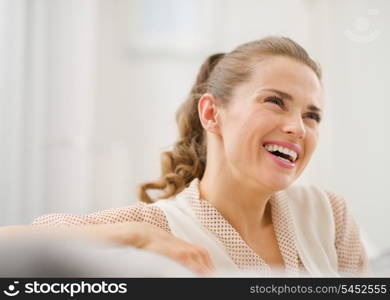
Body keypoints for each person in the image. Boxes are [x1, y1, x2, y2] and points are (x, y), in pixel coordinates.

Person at [1, 37, 369, 277]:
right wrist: (136, 236)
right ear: (211, 114)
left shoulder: (329, 216)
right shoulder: (156, 227)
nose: (298, 128)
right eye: (275, 101)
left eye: (312, 116)